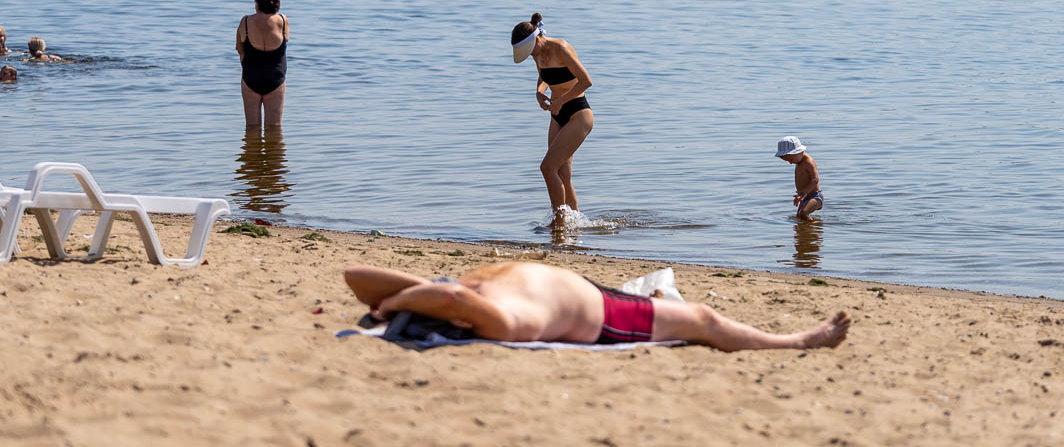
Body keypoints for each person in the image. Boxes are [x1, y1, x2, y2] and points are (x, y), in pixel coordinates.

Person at [344, 261, 850, 351]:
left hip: (597, 290)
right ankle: (799, 340)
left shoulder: (469, 296)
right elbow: (450, 295)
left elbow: (355, 277)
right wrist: (396, 306)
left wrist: (399, 298)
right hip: (608, 319)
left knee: (675, 300)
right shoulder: (502, 319)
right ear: (456, 319)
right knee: (702, 319)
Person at [510, 12, 594, 227]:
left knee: (547, 168)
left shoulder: (561, 48)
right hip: (557, 115)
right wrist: (539, 92)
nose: (531, 56)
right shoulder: (537, 54)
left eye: (531, 50)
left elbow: (586, 81)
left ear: (537, 39)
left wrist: (561, 101)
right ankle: (576, 223)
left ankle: (559, 222)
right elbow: (544, 77)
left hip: (578, 114)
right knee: (562, 174)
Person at [236, 0, 288, 129]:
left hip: (251, 78)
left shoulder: (245, 22)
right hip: (275, 79)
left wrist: (247, 66)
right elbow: (286, 41)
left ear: (257, 4)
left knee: (252, 128)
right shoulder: (283, 21)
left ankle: (251, 150)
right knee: (275, 128)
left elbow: (239, 48)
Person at [776, 136, 822, 221]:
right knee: (799, 216)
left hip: (815, 196)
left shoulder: (809, 162)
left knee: (803, 213)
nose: (790, 163)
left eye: (791, 159)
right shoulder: (799, 161)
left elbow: (815, 180)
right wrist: (801, 195)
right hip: (804, 196)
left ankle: (814, 227)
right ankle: (804, 231)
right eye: (788, 161)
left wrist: (804, 192)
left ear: (799, 152)